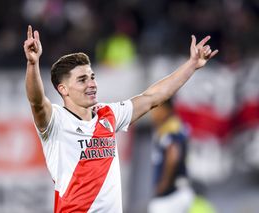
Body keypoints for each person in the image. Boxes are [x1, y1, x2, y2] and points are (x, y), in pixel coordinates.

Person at [23, 25, 218, 213]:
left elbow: (152, 97)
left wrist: (191, 65)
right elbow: (37, 102)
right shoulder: (56, 121)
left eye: (92, 77)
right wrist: (33, 64)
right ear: (63, 89)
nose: (92, 84)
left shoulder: (108, 114)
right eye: (82, 80)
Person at [147, 99, 194, 213]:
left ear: (165, 109)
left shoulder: (170, 127)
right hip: (179, 192)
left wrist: (164, 184)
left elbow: (173, 155)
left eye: (156, 109)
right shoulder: (174, 125)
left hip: (170, 196)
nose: (153, 114)